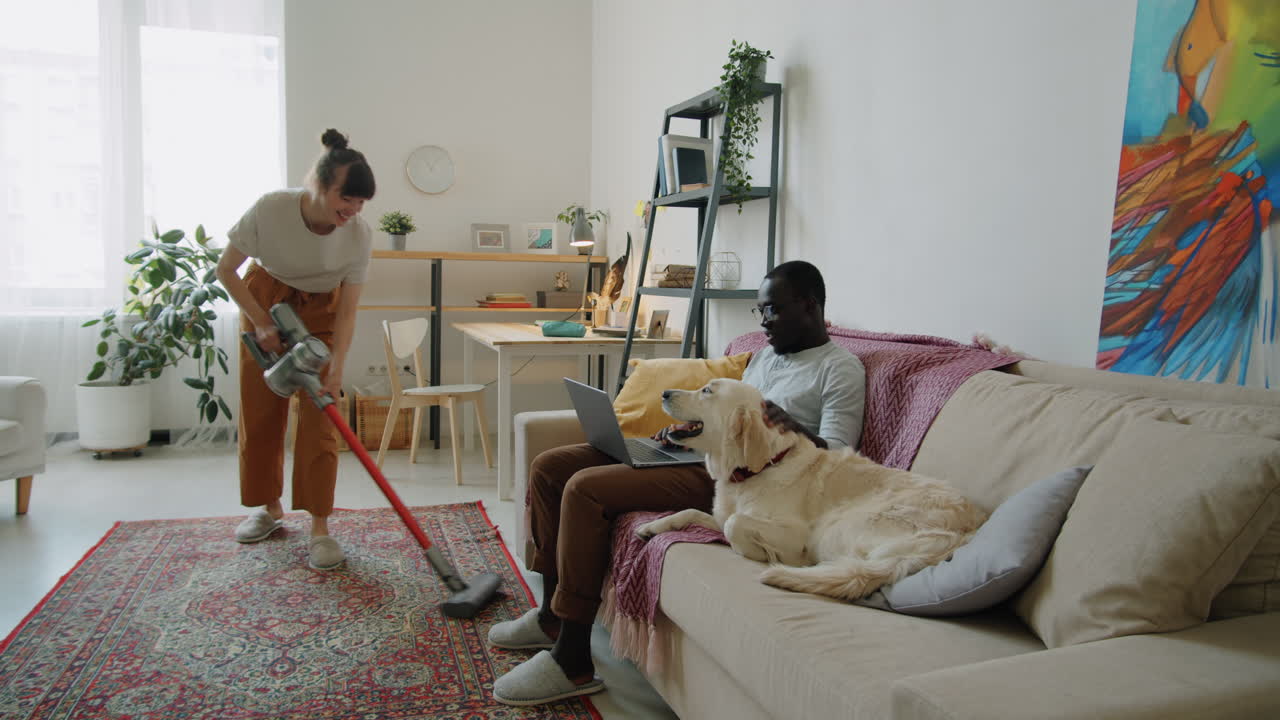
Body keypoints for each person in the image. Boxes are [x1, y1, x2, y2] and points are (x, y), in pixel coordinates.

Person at [489, 260, 866, 706]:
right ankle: (551, 614)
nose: (763, 323)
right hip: (697, 454)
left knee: (584, 489)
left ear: (808, 306)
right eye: (759, 312)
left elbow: (837, 455)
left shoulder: (839, 368)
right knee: (550, 467)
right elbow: (721, 417)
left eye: (772, 311)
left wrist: (790, 427)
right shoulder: (765, 357)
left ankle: (572, 660)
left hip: (744, 479)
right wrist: (685, 431)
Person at [215, 128, 376, 571]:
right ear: (321, 186)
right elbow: (225, 270)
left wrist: (338, 365)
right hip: (265, 299)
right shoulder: (271, 209)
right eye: (348, 199)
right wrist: (262, 320)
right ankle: (268, 509)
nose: (354, 211)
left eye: (362, 204)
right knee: (262, 406)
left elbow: (348, 311)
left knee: (322, 415)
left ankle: (320, 526)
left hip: (323, 310)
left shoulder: (358, 234)